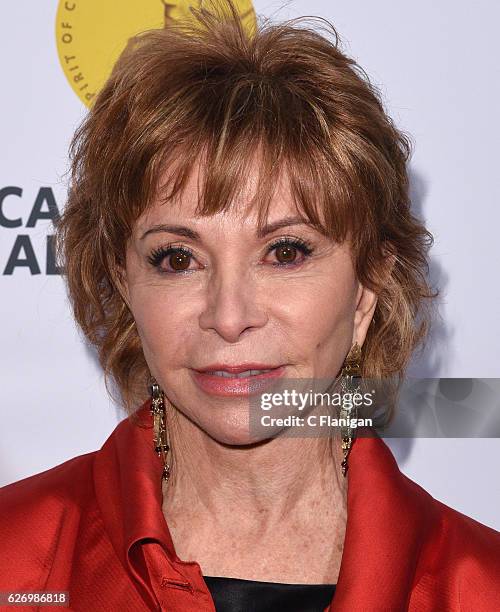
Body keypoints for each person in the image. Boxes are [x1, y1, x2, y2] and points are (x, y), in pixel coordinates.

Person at [0, 1, 499, 610]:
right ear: (123, 283)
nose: (230, 315)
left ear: (368, 286)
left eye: (285, 252)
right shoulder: (15, 557)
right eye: (178, 258)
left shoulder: (478, 586)